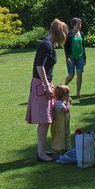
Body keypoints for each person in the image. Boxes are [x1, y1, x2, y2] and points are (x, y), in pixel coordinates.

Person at [27, 19, 67, 162]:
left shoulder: (49, 45)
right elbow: (39, 67)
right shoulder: (45, 45)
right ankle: (41, 153)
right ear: (57, 33)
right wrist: (47, 86)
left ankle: (42, 150)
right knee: (44, 120)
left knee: (47, 119)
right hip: (40, 84)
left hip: (45, 82)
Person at [64, 17, 85, 96]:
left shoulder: (81, 34)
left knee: (79, 74)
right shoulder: (69, 34)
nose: (80, 25)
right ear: (73, 25)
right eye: (78, 24)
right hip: (71, 58)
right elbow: (66, 47)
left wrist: (84, 57)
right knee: (71, 75)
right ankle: (64, 87)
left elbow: (83, 46)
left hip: (80, 57)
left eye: (80, 23)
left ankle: (78, 93)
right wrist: (67, 57)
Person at [50, 85, 72, 154]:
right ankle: (58, 149)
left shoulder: (59, 102)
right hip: (60, 125)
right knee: (60, 136)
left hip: (61, 124)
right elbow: (66, 110)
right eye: (67, 95)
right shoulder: (59, 104)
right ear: (64, 96)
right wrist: (68, 103)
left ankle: (66, 147)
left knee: (64, 134)